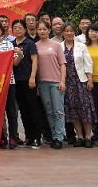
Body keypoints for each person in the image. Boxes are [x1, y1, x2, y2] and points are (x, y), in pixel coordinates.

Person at [60, 22, 96, 148]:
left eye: (71, 31)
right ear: (62, 33)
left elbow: (88, 63)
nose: (69, 33)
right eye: (66, 31)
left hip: (81, 81)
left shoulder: (81, 46)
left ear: (74, 32)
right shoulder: (59, 47)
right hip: (67, 82)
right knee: (72, 109)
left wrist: (90, 79)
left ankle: (88, 136)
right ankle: (79, 136)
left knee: (85, 108)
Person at [0, 20, 20, 149]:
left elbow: (15, 62)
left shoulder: (8, 45)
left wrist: (20, 55)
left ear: (2, 31)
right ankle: (0, 137)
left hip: (9, 82)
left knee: (11, 111)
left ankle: (13, 137)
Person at [11, 19, 42, 148]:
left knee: (33, 108)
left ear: (25, 29)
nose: (17, 30)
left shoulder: (30, 43)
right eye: (15, 28)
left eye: (20, 27)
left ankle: (37, 137)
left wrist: (33, 77)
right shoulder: (11, 44)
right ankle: (28, 136)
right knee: (23, 109)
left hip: (28, 79)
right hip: (16, 80)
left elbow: (35, 61)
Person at [35, 20, 66, 149]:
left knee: (58, 110)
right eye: (40, 29)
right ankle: (54, 136)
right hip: (43, 82)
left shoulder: (56, 45)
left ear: (49, 30)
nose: (42, 31)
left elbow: (62, 64)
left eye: (44, 29)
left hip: (56, 81)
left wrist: (62, 81)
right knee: (49, 111)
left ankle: (59, 137)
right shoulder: (35, 45)